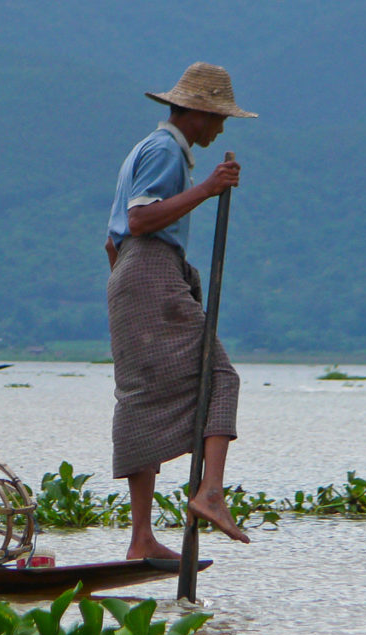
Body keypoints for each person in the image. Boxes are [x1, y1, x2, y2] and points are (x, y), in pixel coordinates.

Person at [105, 62, 256, 560]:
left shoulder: (148, 150)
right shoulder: (167, 149)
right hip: (148, 271)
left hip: (132, 274)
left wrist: (138, 277)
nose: (220, 129)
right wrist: (208, 189)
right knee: (220, 376)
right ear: (198, 114)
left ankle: (141, 537)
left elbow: (113, 241)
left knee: (142, 396)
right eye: (219, 119)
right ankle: (210, 492)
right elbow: (140, 219)